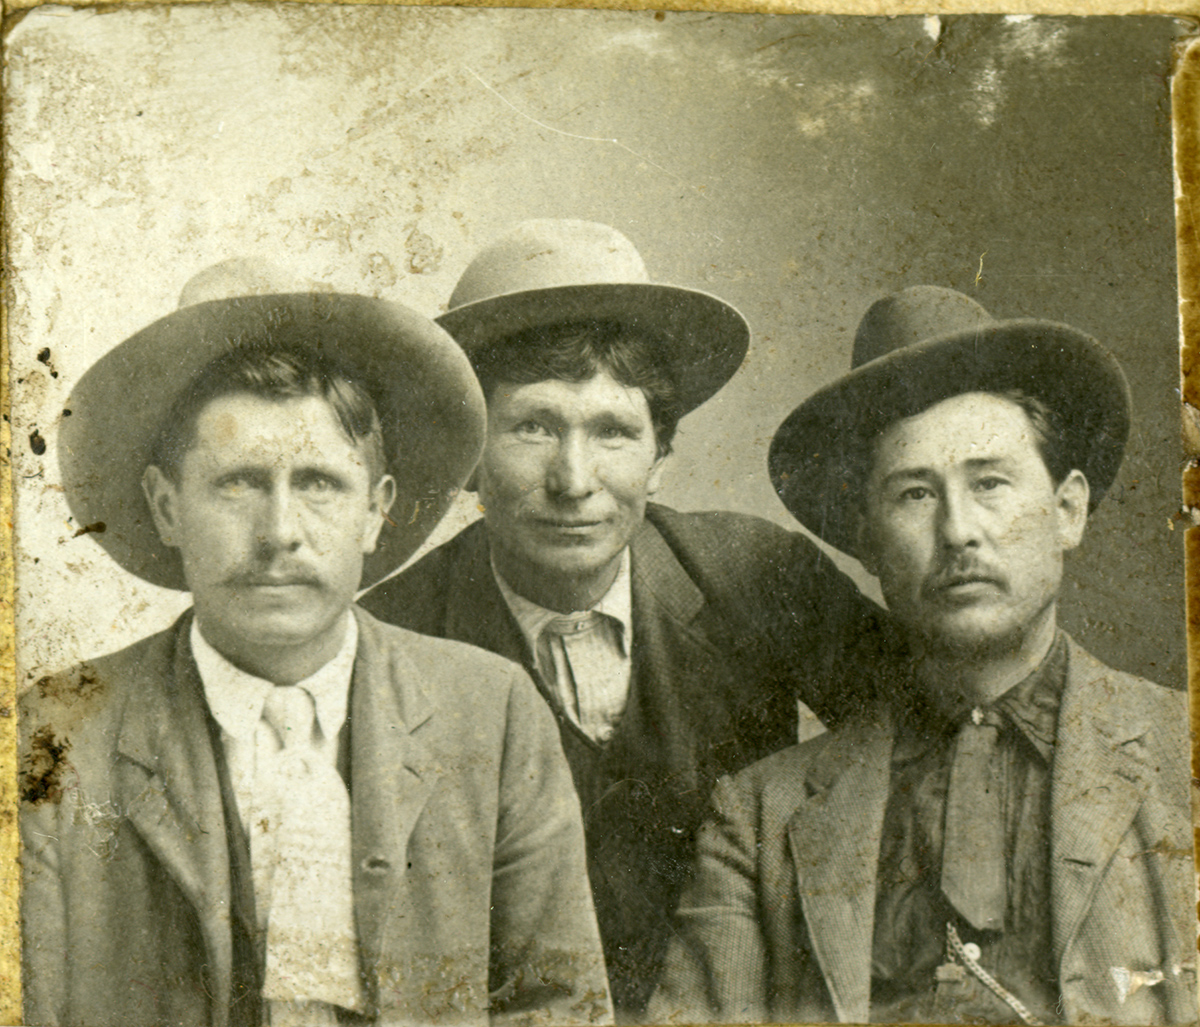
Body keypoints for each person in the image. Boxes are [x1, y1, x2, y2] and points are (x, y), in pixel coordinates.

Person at [20, 270, 611, 1027]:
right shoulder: (57, 734)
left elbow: (560, 1006)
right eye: (237, 483)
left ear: (376, 511)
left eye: (321, 484)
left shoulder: (489, 712)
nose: (280, 533)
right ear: (168, 508)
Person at [359, 220, 885, 1018]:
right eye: (533, 426)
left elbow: (924, 735)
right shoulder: (391, 638)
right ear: (470, 451)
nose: (575, 479)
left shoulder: (758, 574)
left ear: (661, 455)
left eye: (612, 431)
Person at [648, 285, 1197, 1026]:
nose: (959, 529)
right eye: (914, 494)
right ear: (866, 539)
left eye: (990, 483)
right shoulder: (758, 819)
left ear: (1067, 510)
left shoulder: (1181, 758)